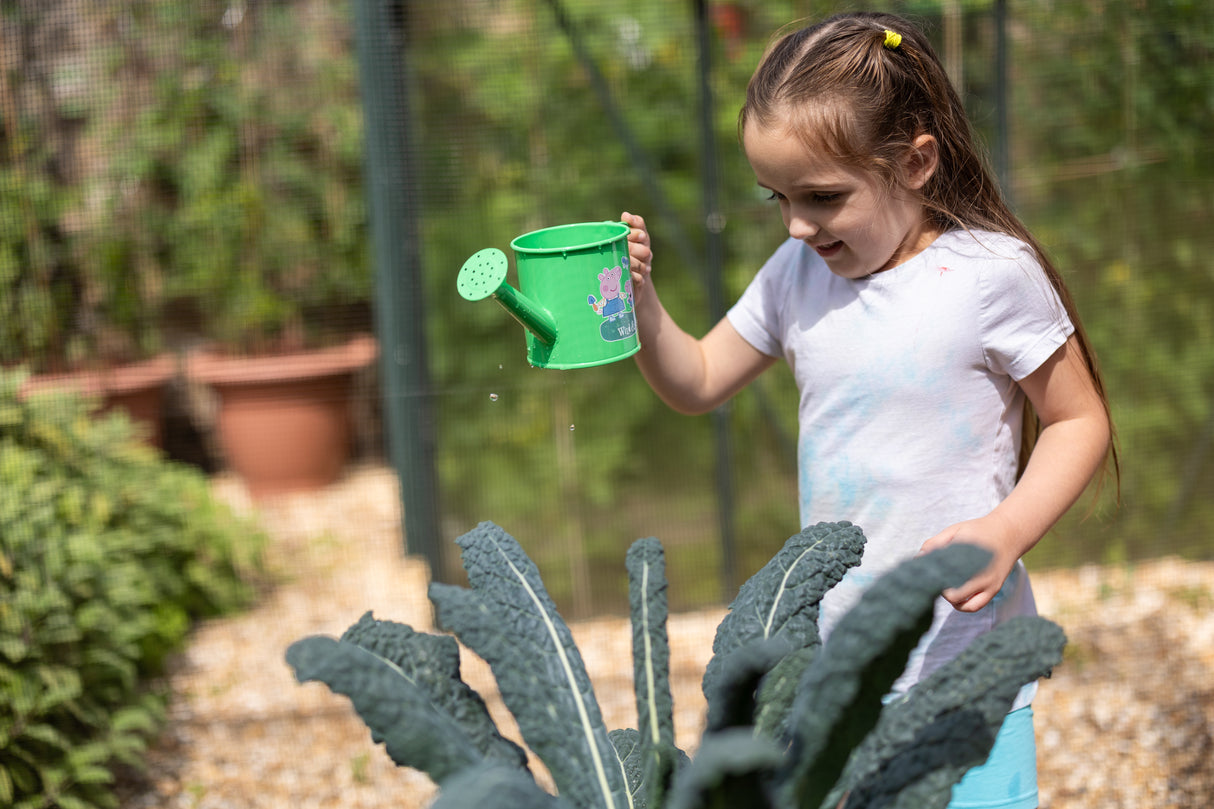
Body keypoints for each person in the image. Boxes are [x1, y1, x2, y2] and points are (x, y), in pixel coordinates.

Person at [622, 11, 1115, 809]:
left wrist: (1007, 530)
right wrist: (639, 305)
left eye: (821, 197)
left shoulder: (990, 274)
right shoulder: (794, 275)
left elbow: (1078, 419)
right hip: (835, 673)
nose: (795, 224)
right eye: (777, 197)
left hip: (965, 668)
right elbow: (699, 378)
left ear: (917, 162)